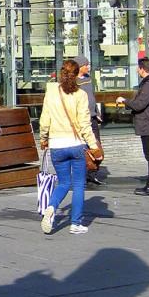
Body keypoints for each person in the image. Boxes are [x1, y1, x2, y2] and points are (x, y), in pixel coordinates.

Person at [38, 59, 100, 234]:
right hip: (76, 144)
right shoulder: (81, 95)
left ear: (61, 73)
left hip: (56, 145)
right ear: (77, 74)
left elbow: (44, 120)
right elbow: (85, 125)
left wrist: (43, 139)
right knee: (79, 185)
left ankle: (51, 207)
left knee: (63, 182)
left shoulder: (51, 93)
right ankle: (76, 223)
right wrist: (94, 146)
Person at [116, 56, 149, 195]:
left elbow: (139, 104)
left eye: (138, 68)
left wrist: (124, 100)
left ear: (142, 69)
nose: (137, 70)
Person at [74, 54, 102, 186]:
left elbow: (92, 97)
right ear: (80, 67)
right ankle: (82, 176)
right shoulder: (73, 82)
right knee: (83, 148)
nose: (88, 67)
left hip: (92, 117)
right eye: (86, 65)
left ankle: (93, 174)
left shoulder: (89, 79)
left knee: (96, 146)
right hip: (81, 119)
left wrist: (97, 112)